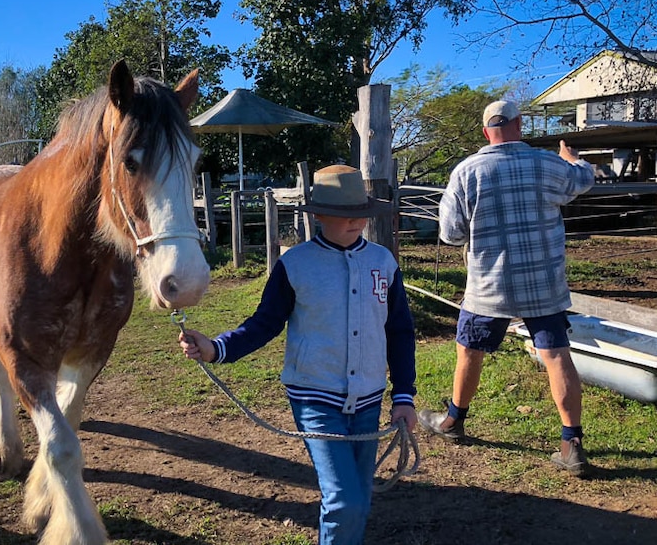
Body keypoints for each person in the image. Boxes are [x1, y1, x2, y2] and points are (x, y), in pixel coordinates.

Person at [178, 165, 417, 545]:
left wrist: (403, 395)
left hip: (370, 398)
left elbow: (399, 331)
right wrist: (216, 348)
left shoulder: (384, 263)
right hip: (315, 399)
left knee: (358, 498)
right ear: (318, 215)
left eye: (360, 211)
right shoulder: (296, 264)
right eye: (343, 213)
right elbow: (265, 323)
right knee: (344, 502)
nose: (356, 220)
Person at [417, 100, 595, 476]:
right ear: (519, 125)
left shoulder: (467, 171)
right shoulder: (549, 164)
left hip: (488, 285)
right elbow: (583, 180)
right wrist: (573, 158)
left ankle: (453, 421)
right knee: (557, 355)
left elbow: (450, 234)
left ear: (485, 133)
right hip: (543, 282)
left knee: (469, 351)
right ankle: (571, 443)